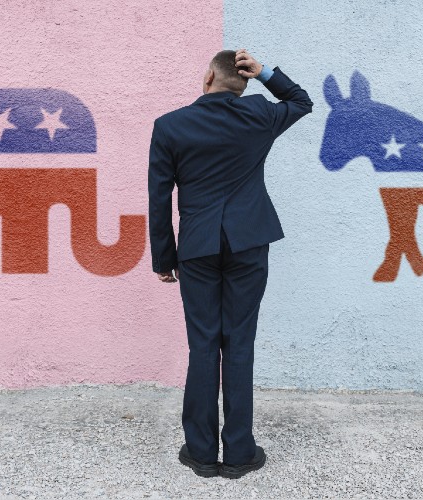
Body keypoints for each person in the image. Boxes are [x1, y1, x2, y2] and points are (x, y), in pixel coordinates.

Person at [148, 48, 313, 479]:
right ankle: (239, 452)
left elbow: (159, 197)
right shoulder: (258, 114)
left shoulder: (170, 126)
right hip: (248, 243)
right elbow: (301, 101)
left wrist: (164, 257)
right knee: (238, 344)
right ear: (242, 82)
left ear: (207, 78)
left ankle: (202, 453)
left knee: (203, 345)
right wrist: (266, 74)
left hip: (198, 247)